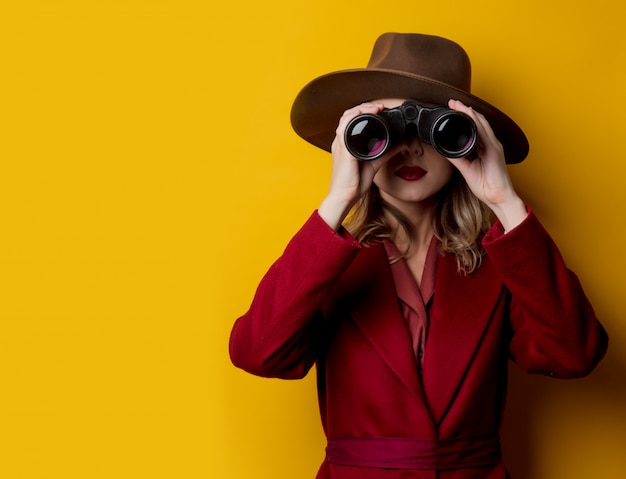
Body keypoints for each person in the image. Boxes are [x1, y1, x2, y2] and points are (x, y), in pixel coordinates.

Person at [229, 33, 608, 478]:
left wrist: (504, 201)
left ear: (468, 138)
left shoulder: (502, 260)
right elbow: (258, 352)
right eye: (388, 128)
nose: (410, 147)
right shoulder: (330, 263)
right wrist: (339, 198)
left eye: (435, 129)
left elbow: (576, 354)